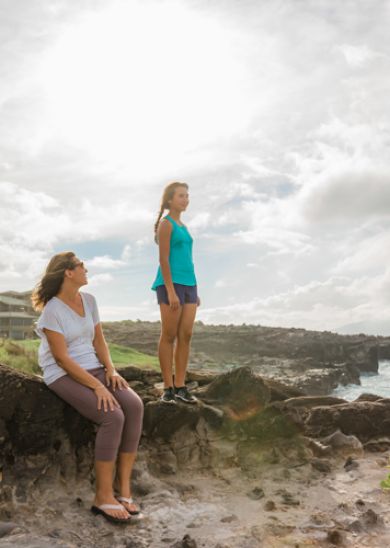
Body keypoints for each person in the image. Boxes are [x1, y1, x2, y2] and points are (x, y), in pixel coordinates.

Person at [32, 252, 144, 525]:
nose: (86, 268)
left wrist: (111, 370)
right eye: (81, 265)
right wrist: (97, 387)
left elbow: (100, 342)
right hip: (62, 374)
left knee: (134, 405)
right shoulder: (52, 311)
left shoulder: (90, 300)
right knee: (112, 415)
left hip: (94, 367)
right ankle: (102, 496)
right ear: (68, 272)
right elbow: (61, 358)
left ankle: (124, 490)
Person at [152, 182, 199, 404]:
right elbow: (163, 259)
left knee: (186, 335)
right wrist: (171, 291)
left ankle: (181, 386)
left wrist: (195, 289)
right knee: (169, 335)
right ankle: (168, 388)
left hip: (189, 285)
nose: (186, 199)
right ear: (170, 199)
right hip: (170, 284)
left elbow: (188, 259)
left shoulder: (184, 226)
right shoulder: (166, 224)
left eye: (187, 196)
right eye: (181, 195)